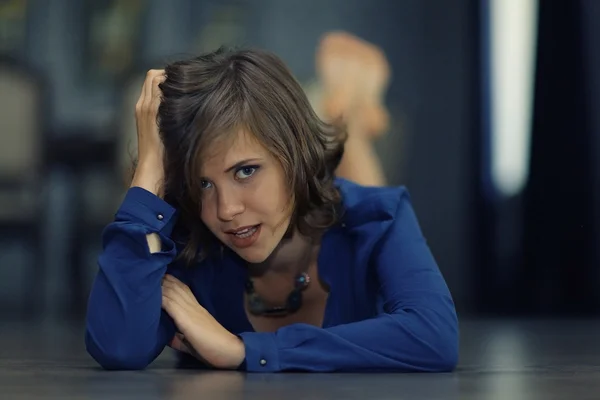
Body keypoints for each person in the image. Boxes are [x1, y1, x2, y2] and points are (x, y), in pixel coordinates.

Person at [85, 47, 459, 373]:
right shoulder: (186, 239)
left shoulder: (378, 214)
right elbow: (119, 347)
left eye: (246, 171)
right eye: (204, 183)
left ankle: (351, 117)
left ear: (294, 153)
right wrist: (148, 172)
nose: (226, 210)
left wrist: (244, 351)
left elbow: (434, 336)